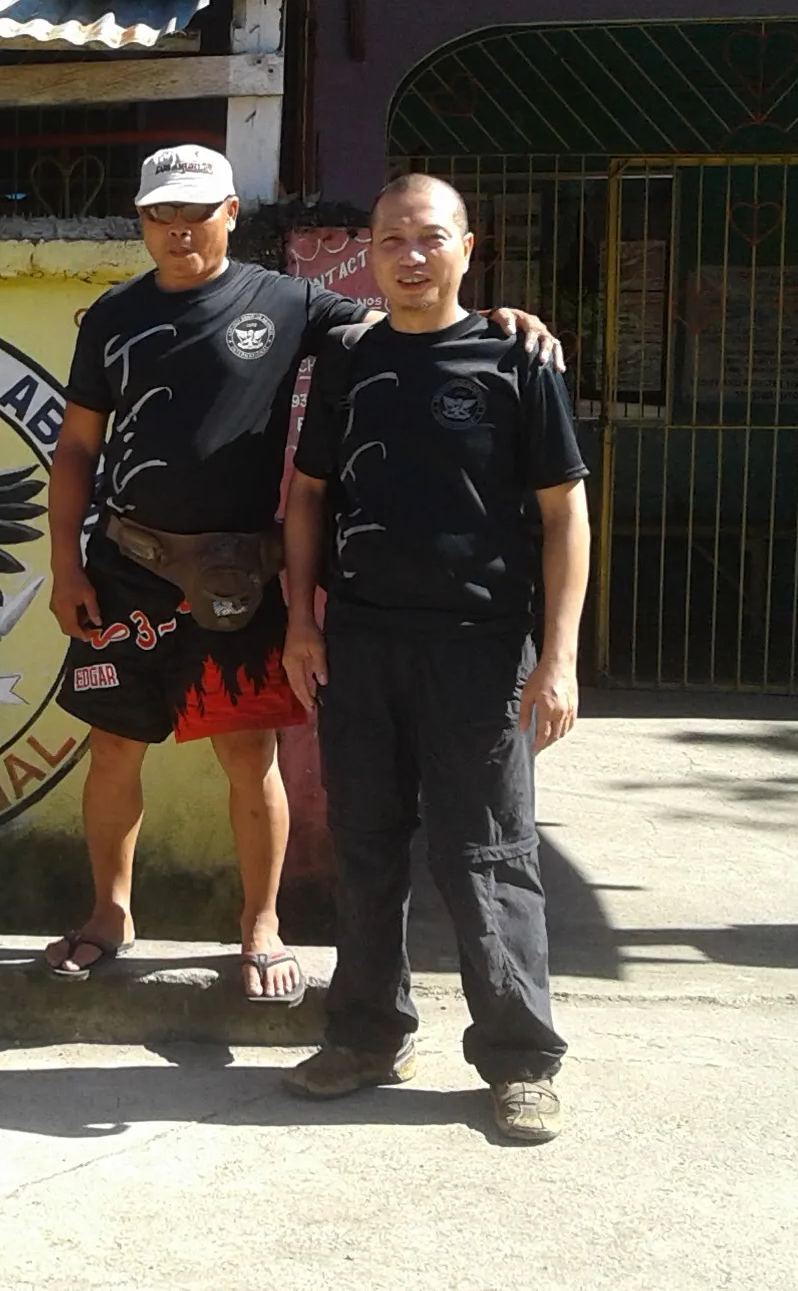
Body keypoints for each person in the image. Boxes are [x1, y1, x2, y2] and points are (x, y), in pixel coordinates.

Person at [45, 145, 556, 1001]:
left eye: (197, 214)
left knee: (251, 755)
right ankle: (110, 915)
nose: (178, 232)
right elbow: (76, 448)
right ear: (140, 221)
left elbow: (408, 315)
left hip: (239, 579)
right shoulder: (112, 318)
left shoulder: (289, 303)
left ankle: (261, 927)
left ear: (233, 214)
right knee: (112, 749)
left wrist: (503, 320)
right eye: (160, 217)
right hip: (126, 568)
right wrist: (65, 566)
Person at [280, 174, 587, 1143]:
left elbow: (562, 512)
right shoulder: (352, 359)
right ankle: (367, 1033)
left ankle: (519, 1058)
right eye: (391, 241)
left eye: (429, 238)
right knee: (366, 846)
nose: (410, 257)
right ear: (369, 254)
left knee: (487, 854)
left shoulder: (516, 356)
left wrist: (562, 657)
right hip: (362, 642)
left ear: (466, 245)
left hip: (480, 649)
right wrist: (301, 617)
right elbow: (307, 496)